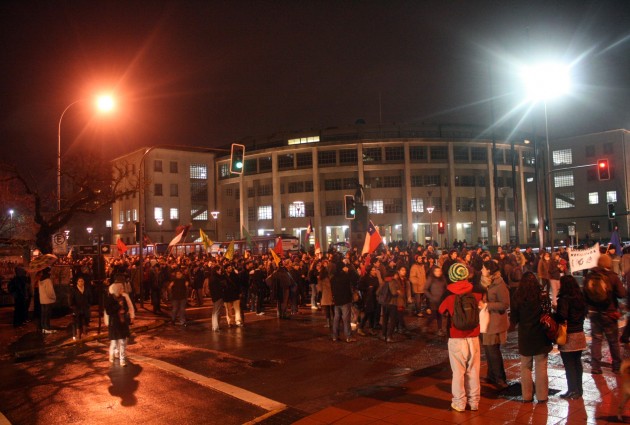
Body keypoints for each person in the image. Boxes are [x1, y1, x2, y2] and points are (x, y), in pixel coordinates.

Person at [438, 263, 482, 412]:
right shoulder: (476, 291)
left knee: (458, 372)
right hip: (474, 337)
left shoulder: (448, 294)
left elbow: (441, 310)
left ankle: (459, 402)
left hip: (456, 337)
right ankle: (474, 402)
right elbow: (482, 305)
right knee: (474, 371)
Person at [510, 271, 552, 403]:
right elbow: (548, 313)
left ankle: (526, 396)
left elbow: (514, 318)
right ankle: (542, 396)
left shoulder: (518, 296)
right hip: (541, 334)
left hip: (525, 335)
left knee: (525, 367)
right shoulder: (543, 295)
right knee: (541, 366)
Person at [583, 254, 626, 374]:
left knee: (597, 340)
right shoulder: (612, 276)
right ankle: (616, 366)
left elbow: (584, 295)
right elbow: (622, 293)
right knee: (613, 340)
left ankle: (595, 366)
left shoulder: (589, 276)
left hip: (594, 313)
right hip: (609, 312)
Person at [555, 275, 588, 399]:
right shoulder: (580, 297)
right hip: (579, 334)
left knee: (569, 365)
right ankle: (578, 389)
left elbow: (562, 316)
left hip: (568, 335)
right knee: (577, 363)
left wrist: (555, 313)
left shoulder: (564, 299)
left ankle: (572, 390)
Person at [479, 260, 510, 391]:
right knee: (488, 350)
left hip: (495, 322)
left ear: (489, 271)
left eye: (483, 268)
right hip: (487, 320)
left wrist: (487, 305)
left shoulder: (499, 284)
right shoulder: (488, 283)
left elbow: (505, 304)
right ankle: (491, 375)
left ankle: (500, 379)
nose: (481, 270)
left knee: (493, 351)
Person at [105, 280, 135, 366]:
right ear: (116, 289)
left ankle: (122, 359)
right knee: (114, 343)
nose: (122, 289)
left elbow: (127, 307)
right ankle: (112, 354)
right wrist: (118, 306)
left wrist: (125, 311)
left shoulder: (124, 297)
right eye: (121, 288)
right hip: (114, 323)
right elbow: (108, 311)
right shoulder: (110, 299)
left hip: (122, 322)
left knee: (122, 341)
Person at [330, 259, 356, 343]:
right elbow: (355, 278)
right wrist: (349, 270)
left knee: (336, 318)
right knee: (346, 319)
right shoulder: (345, 276)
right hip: (345, 300)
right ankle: (348, 336)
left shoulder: (333, 278)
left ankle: (334, 336)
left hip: (337, 300)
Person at [424, 265, 447, 336]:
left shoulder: (443, 279)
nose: (438, 272)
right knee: (433, 315)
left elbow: (446, 288)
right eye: (436, 271)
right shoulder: (431, 279)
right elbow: (425, 289)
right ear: (433, 272)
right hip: (433, 301)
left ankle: (439, 329)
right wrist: (431, 297)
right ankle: (426, 325)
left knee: (440, 315)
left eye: (439, 271)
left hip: (441, 300)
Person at [38, 267, 56, 334]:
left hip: (42, 300)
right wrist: (54, 297)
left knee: (43, 314)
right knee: (47, 315)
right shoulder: (47, 280)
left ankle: (43, 328)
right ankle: (47, 328)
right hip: (48, 300)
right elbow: (50, 292)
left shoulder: (40, 280)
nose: (50, 273)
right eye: (50, 271)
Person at [209, 266, 226, 332]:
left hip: (216, 296)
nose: (220, 271)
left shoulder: (212, 278)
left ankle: (215, 326)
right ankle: (215, 327)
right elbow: (219, 287)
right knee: (216, 312)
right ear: (216, 271)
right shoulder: (215, 279)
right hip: (218, 296)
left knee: (216, 312)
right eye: (219, 270)